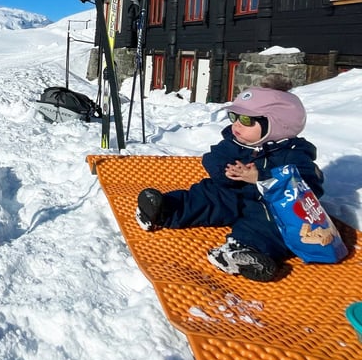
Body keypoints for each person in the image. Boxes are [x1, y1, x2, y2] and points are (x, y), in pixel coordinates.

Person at [135, 85, 323, 282]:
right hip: (232, 193)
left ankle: (246, 252)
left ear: (278, 124)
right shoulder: (236, 142)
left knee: (271, 222)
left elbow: (309, 184)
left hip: (267, 204)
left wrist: (261, 176)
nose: (236, 125)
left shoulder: (294, 153)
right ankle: (165, 208)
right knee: (206, 195)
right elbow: (213, 158)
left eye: (246, 120)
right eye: (234, 117)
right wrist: (225, 171)